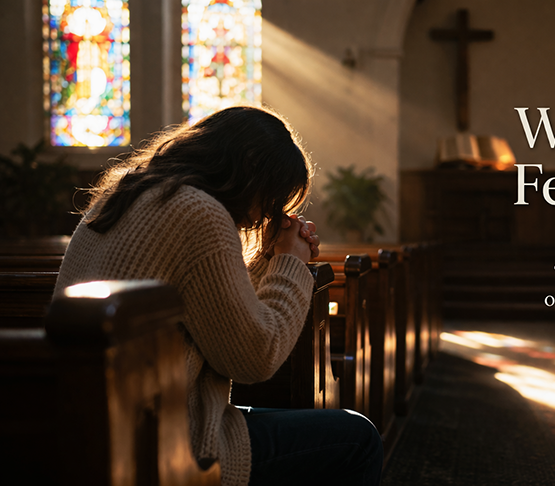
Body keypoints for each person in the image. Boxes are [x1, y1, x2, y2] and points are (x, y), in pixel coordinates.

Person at [53, 105, 383, 486]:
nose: (263, 215)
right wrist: (291, 265)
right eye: (272, 197)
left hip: (93, 426)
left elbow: (208, 305)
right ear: (250, 170)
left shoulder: (124, 193)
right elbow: (254, 359)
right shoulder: (199, 213)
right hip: (167, 442)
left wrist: (269, 257)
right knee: (359, 438)